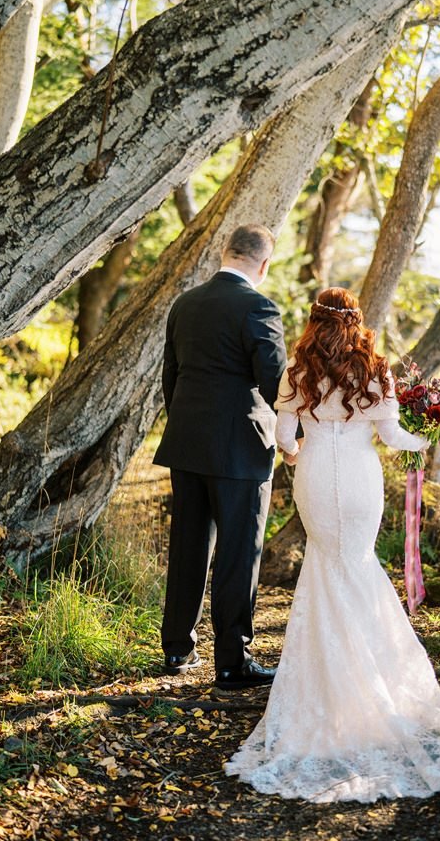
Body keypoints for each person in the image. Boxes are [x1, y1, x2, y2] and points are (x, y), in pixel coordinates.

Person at [224, 287, 440, 802]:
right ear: (357, 321)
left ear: (314, 322)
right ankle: (375, 688)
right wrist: (434, 435)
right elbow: (391, 436)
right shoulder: (376, 369)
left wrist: (296, 454)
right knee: (358, 567)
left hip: (316, 480)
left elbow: (284, 436)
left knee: (325, 569)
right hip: (363, 484)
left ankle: (327, 692)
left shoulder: (298, 371)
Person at [154, 224, 287, 689]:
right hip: (241, 450)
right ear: (264, 265)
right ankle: (232, 663)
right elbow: (274, 383)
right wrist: (295, 435)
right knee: (237, 554)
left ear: (224, 252)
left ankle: (177, 650)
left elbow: (171, 376)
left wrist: (187, 427)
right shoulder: (259, 307)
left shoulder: (185, 304)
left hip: (186, 445)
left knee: (188, 547)